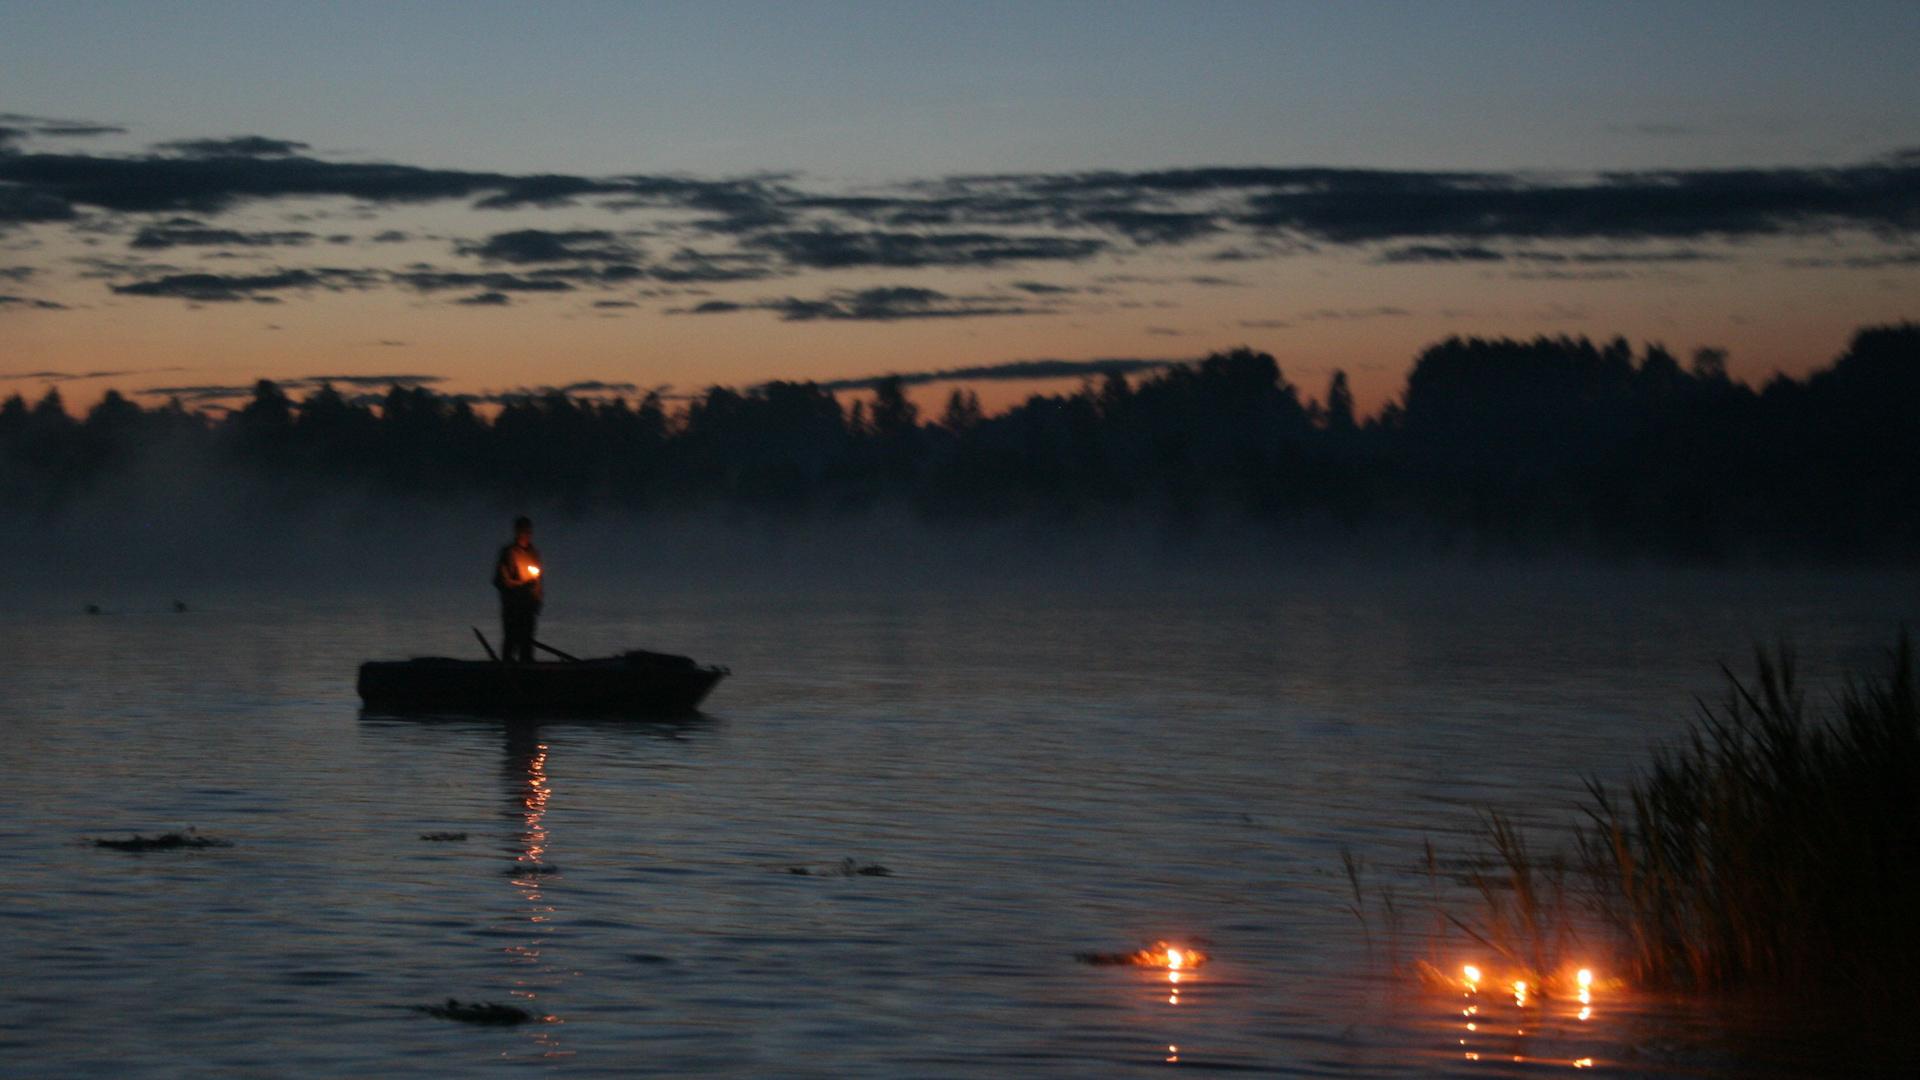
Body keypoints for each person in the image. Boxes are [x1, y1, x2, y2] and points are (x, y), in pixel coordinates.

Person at [493, 516, 544, 663]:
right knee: (511, 642)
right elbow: (501, 581)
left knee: (527, 646)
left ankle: (527, 675)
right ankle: (507, 674)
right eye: (523, 531)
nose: (527, 535)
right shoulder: (508, 553)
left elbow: (539, 581)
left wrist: (538, 601)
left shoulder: (534, 554)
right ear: (516, 532)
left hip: (529, 609)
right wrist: (522, 585)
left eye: (529, 532)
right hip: (512, 609)